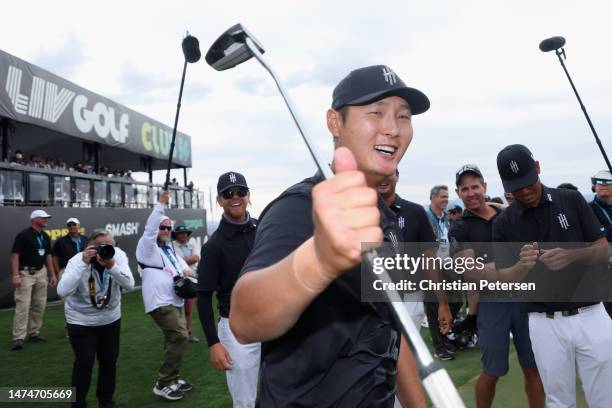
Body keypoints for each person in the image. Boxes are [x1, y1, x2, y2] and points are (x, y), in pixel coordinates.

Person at [230, 65, 430, 407]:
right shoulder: (300, 205)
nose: (392, 129)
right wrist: (319, 260)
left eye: (403, 116)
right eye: (376, 113)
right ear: (335, 123)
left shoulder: (378, 215)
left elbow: (388, 330)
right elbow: (245, 319)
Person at [492, 144, 611, 408]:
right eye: (516, 187)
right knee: (558, 401)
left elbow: (602, 249)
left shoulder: (571, 199)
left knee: (606, 397)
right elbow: (503, 278)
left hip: (592, 314)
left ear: (537, 168)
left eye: (528, 182)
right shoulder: (503, 223)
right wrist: (522, 266)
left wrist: (572, 255)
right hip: (544, 322)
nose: (524, 191)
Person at [449, 164, 543, 408]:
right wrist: (509, 267)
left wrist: (491, 266)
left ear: (485, 187)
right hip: (492, 302)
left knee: (534, 367)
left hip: (525, 299)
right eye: (464, 189)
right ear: (458, 192)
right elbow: (469, 271)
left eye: (475, 187)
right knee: (492, 371)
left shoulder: (508, 214)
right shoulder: (460, 226)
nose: (471, 193)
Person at [197, 171, 260, 408]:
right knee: (245, 401)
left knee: (281, 390)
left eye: (240, 192)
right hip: (237, 330)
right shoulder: (214, 246)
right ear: (219, 200)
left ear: (248, 195)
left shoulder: (262, 229)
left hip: (273, 322)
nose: (236, 197)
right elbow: (203, 298)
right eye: (228, 194)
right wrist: (213, 343)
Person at [57, 229, 134, 408]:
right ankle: (77, 403)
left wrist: (112, 266)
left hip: (110, 319)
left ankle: (106, 401)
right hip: (80, 320)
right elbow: (62, 291)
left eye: (108, 246)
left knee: (109, 361)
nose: (104, 250)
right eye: (99, 246)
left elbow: (129, 284)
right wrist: (84, 263)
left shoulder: (118, 256)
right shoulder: (77, 261)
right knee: (84, 362)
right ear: (89, 247)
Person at [136, 190, 193, 401]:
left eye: (168, 227)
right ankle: (163, 383)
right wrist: (160, 205)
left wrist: (187, 271)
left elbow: (183, 266)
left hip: (174, 299)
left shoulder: (168, 249)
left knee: (174, 338)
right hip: (159, 301)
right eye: (163, 227)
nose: (166, 230)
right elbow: (150, 229)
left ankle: (173, 378)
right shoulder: (147, 247)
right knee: (180, 335)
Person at [10, 209, 57, 350]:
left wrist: (52, 274)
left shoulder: (45, 236)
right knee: (23, 305)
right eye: (43, 218)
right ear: (35, 219)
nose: (46, 220)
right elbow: (14, 255)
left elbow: (48, 256)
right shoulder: (23, 235)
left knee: (40, 304)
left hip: (41, 272)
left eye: (46, 218)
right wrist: (15, 275)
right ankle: (18, 337)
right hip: (25, 273)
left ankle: (34, 332)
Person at [425, 184, 462, 360]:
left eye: (447, 197)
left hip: (447, 265)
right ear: (432, 198)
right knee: (433, 307)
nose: (446, 200)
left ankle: (445, 334)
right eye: (442, 197)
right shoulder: (425, 217)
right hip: (431, 267)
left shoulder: (445, 217)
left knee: (455, 301)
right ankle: (439, 346)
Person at [589, 169, 612, 318]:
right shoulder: (587, 209)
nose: (603, 184)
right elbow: (596, 235)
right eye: (599, 181)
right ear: (593, 186)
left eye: (608, 181)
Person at [172, 225, 200, 342]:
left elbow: (197, 258)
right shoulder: (172, 246)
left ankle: (188, 333)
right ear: (176, 235)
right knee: (177, 310)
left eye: (185, 233)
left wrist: (183, 261)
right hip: (178, 281)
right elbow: (176, 263)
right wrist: (189, 260)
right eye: (181, 233)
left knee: (188, 309)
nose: (184, 235)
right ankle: (180, 333)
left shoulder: (192, 244)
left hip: (192, 281)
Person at [52, 218, 89, 283]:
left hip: (83, 271)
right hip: (67, 271)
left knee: (84, 292)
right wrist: (59, 273)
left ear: (78, 226)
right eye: (69, 225)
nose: (72, 226)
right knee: (67, 293)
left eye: (74, 224)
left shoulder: (85, 239)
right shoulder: (61, 241)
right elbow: (55, 258)